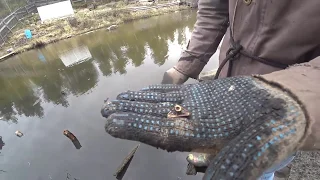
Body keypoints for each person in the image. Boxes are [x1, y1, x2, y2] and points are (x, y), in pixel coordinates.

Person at [101, 0, 320, 179]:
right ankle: (215, 156)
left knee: (259, 165)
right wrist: (186, 64)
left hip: (285, 89)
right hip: (227, 77)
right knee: (214, 140)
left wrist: (293, 94)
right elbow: (213, 9)